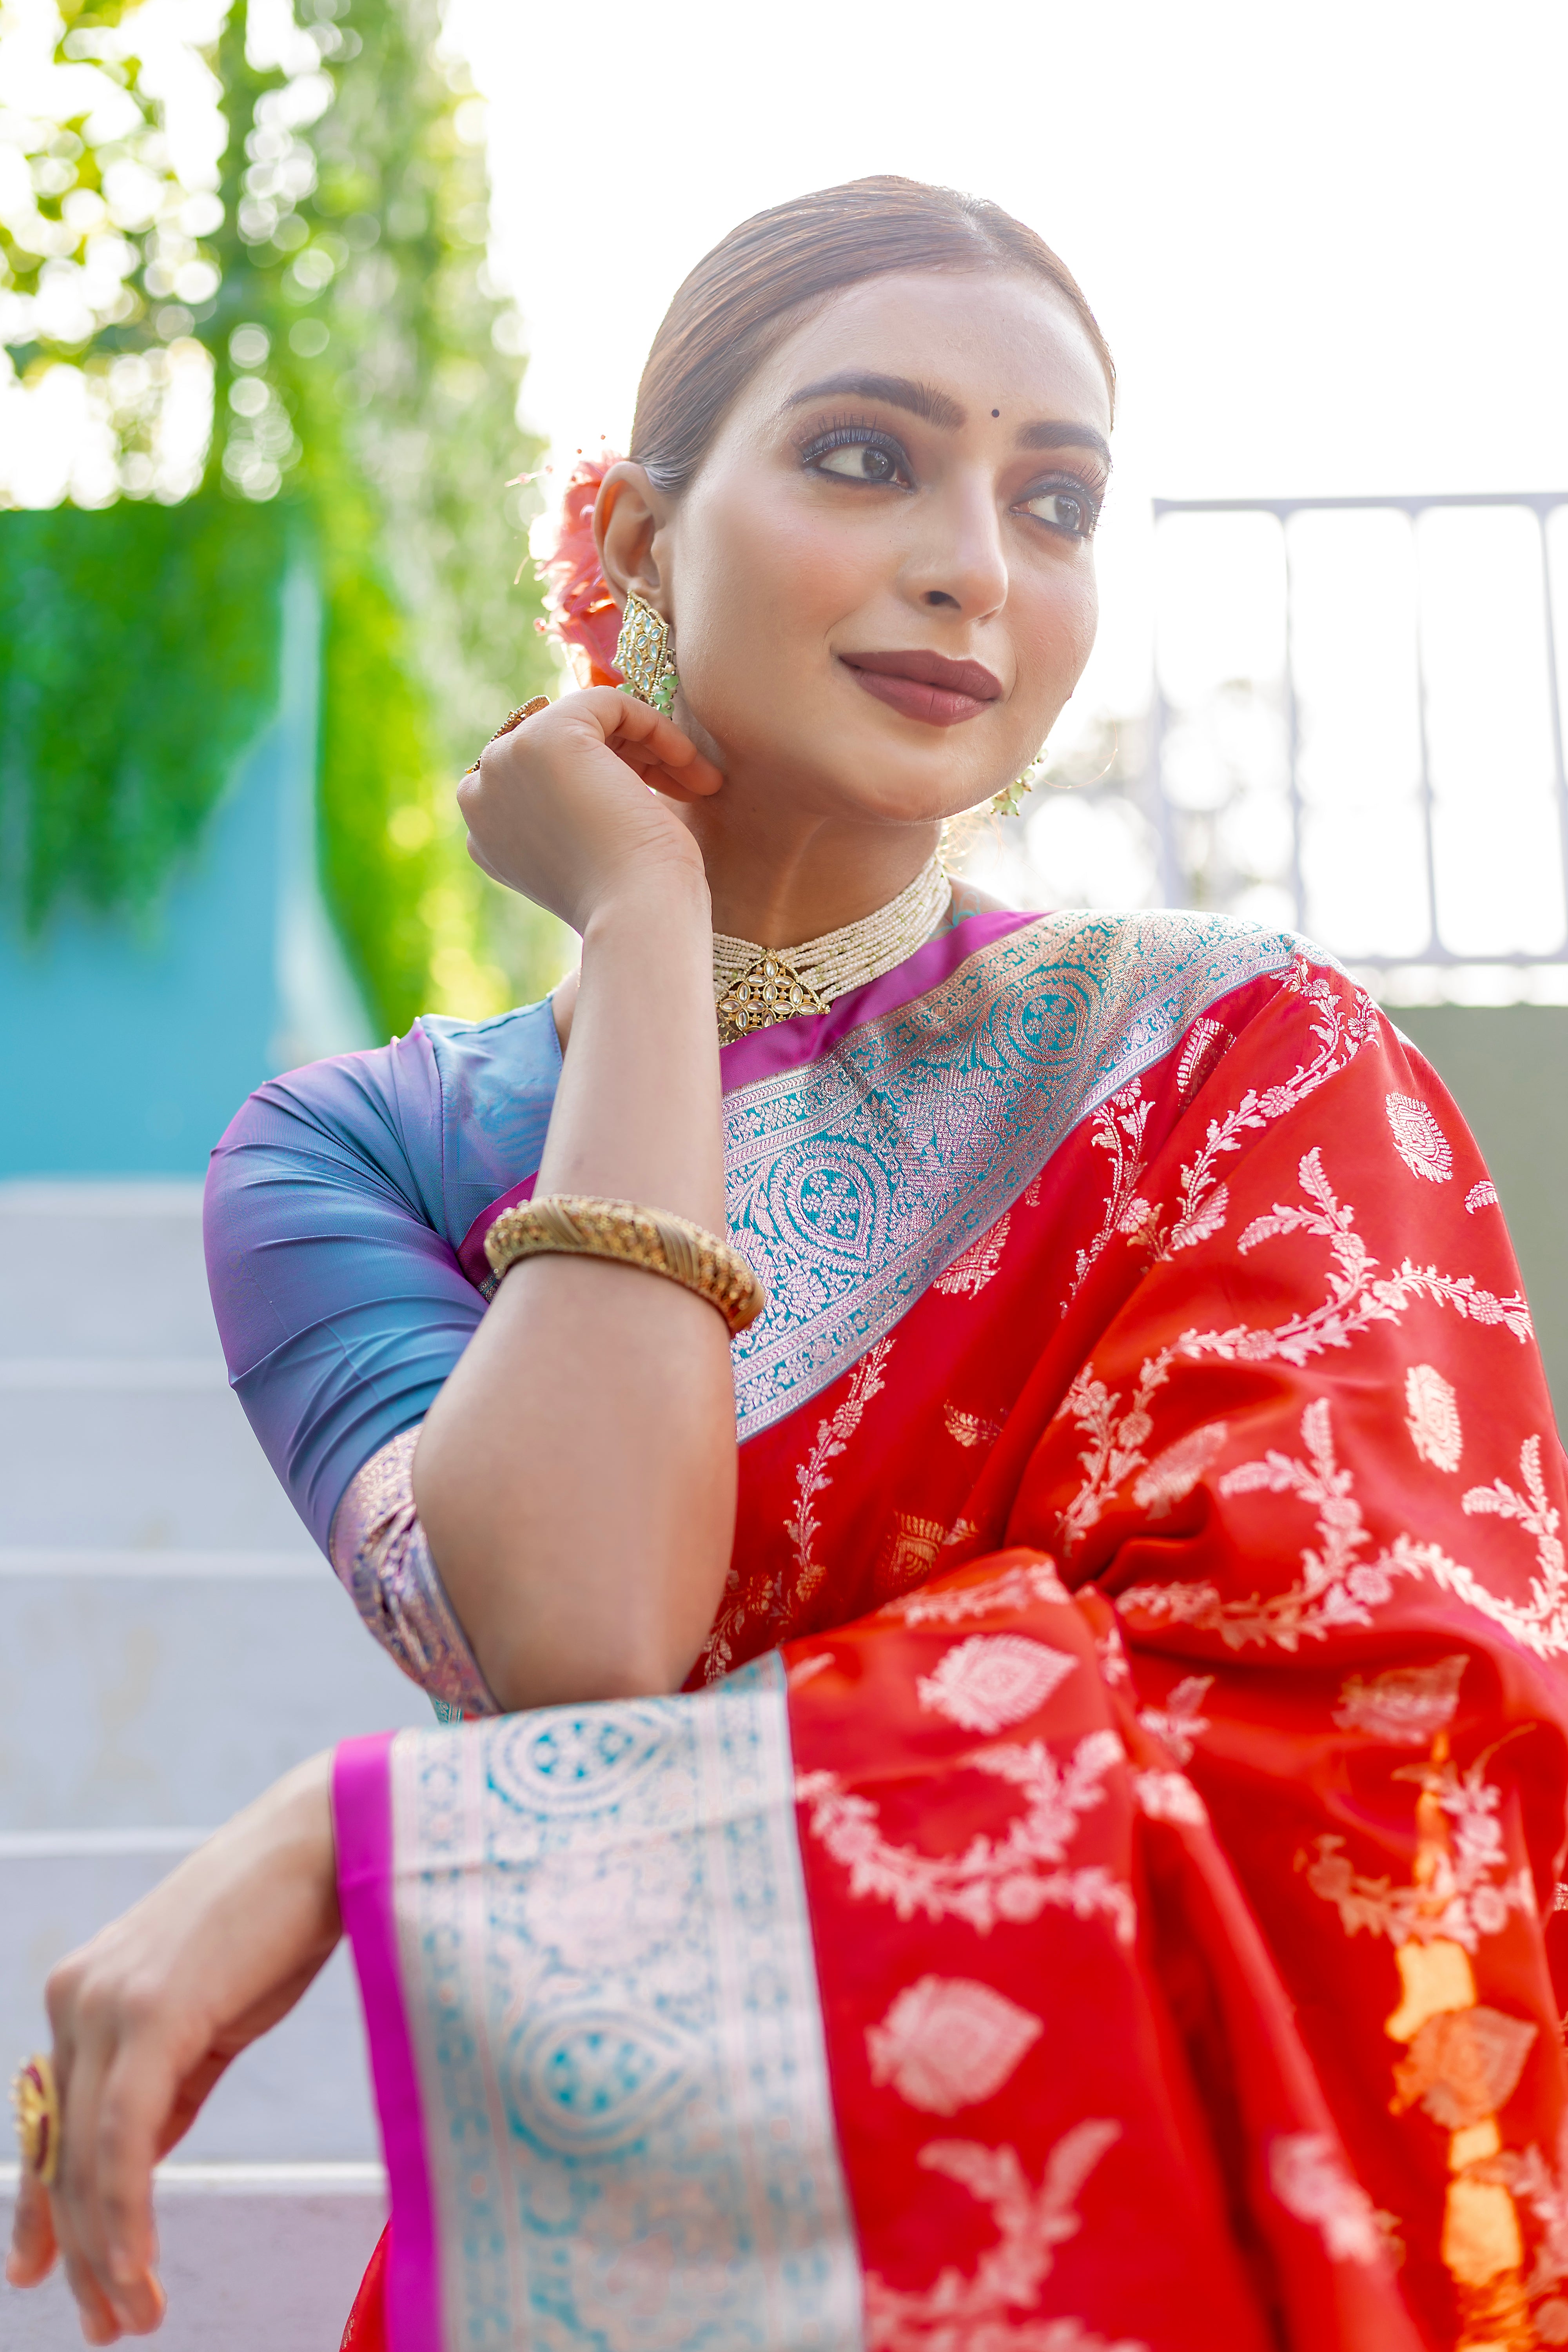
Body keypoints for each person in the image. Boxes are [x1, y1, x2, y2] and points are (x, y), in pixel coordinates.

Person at [10, 175, 1568, 2352]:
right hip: (599, 2237)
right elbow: (579, 1640)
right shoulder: (351, 1151)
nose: (974, 560)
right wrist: (647, 933)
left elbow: (1370, 1738)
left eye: (1059, 500)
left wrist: (342, 1835)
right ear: (633, 539)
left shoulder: (1232, 1069)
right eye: (867, 456)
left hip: (1142, 2230)